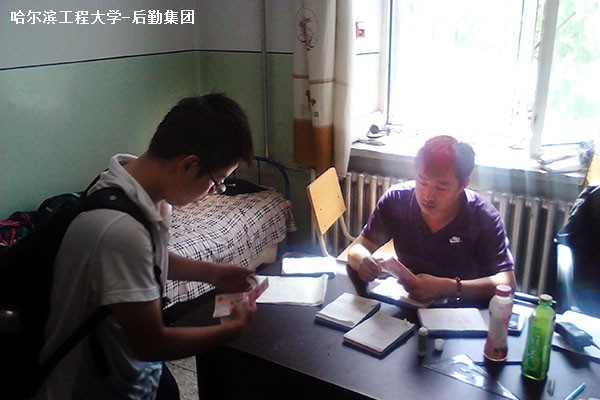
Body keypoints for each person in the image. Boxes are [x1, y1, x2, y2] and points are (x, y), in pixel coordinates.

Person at [38, 94, 257, 400]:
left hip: (132, 369)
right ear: (188, 164)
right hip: (93, 386)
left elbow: (149, 259)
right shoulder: (120, 230)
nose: (213, 192)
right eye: (216, 182)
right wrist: (229, 331)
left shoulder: (134, 189)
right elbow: (151, 343)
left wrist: (212, 273)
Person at [348, 135, 516, 304]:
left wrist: (449, 287)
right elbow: (358, 247)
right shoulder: (396, 201)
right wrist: (362, 261)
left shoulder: (483, 217)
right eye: (422, 181)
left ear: (463, 185)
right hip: (410, 301)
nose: (428, 196)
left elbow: (507, 282)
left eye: (441, 187)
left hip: (461, 307)